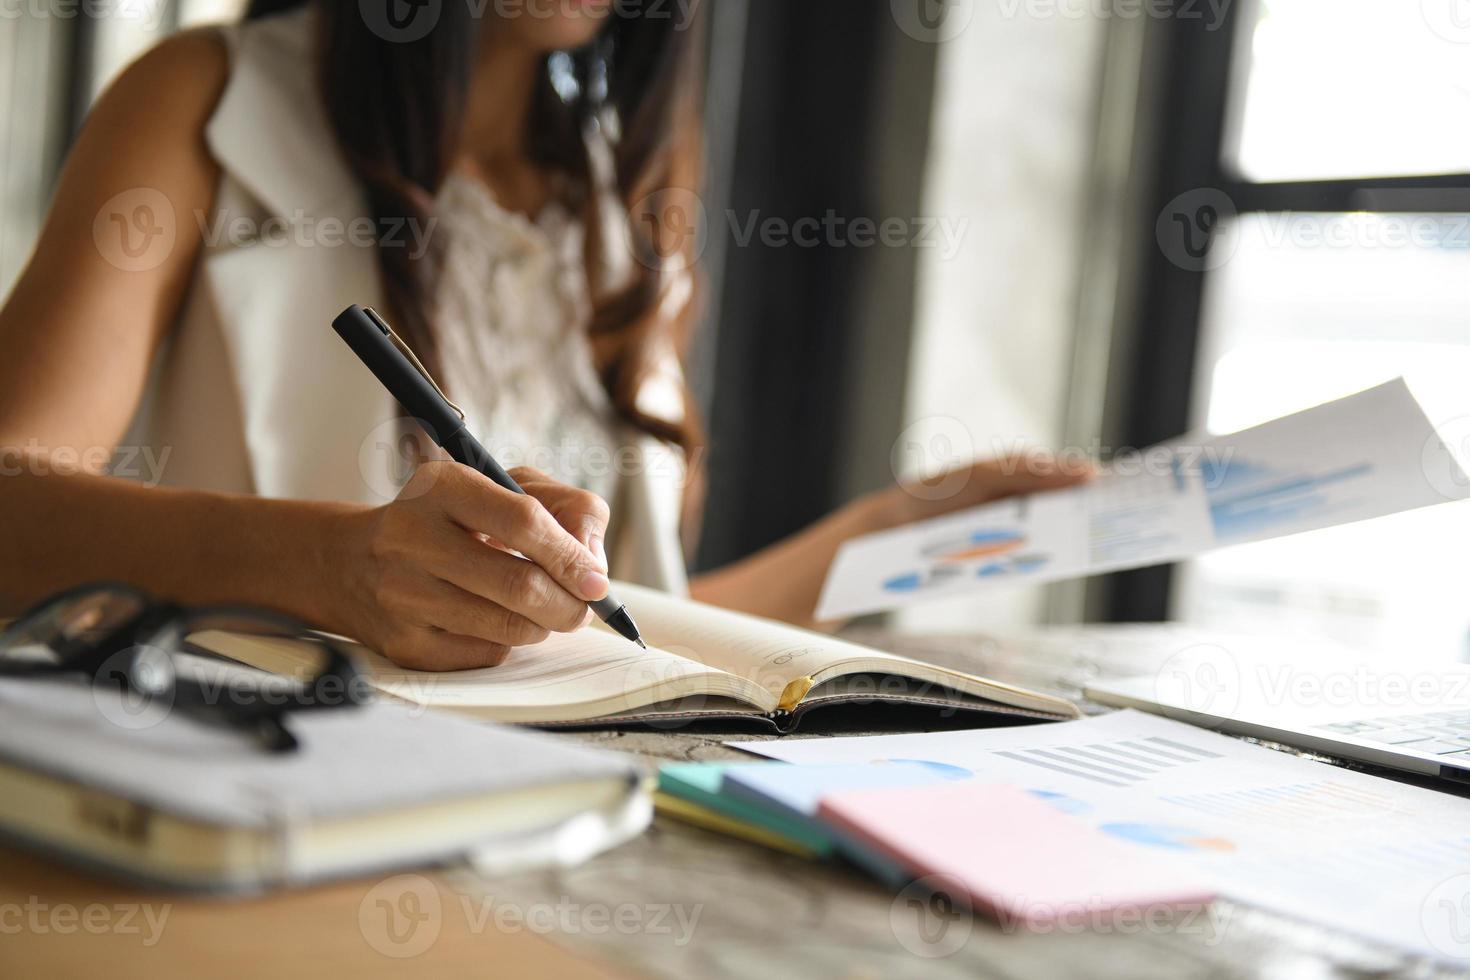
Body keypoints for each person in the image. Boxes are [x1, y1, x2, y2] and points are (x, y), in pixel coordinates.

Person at [0, 0, 1085, 670]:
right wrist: (329, 567)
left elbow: (611, 618)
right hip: (266, 810)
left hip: (576, 842)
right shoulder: (204, 101)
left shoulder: (637, 188)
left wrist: (899, 530)